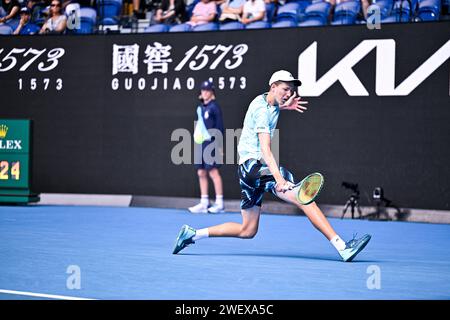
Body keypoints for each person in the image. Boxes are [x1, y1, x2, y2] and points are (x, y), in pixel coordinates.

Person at [173, 70, 371, 262]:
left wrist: (285, 106)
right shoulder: (261, 112)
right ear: (273, 86)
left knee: (247, 230)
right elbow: (266, 150)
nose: (289, 93)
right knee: (304, 197)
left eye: (291, 90)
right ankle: (342, 247)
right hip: (256, 167)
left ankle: (192, 234)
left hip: (245, 171)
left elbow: (272, 107)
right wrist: (279, 179)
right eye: (285, 89)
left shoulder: (264, 100)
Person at [189, 80, 225, 214]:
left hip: (212, 143)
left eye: (207, 90)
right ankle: (204, 202)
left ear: (212, 93)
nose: (205, 93)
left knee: (213, 172)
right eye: (203, 90)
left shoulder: (214, 107)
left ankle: (220, 203)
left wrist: (220, 146)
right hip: (201, 143)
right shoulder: (200, 108)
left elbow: (220, 127)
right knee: (201, 172)